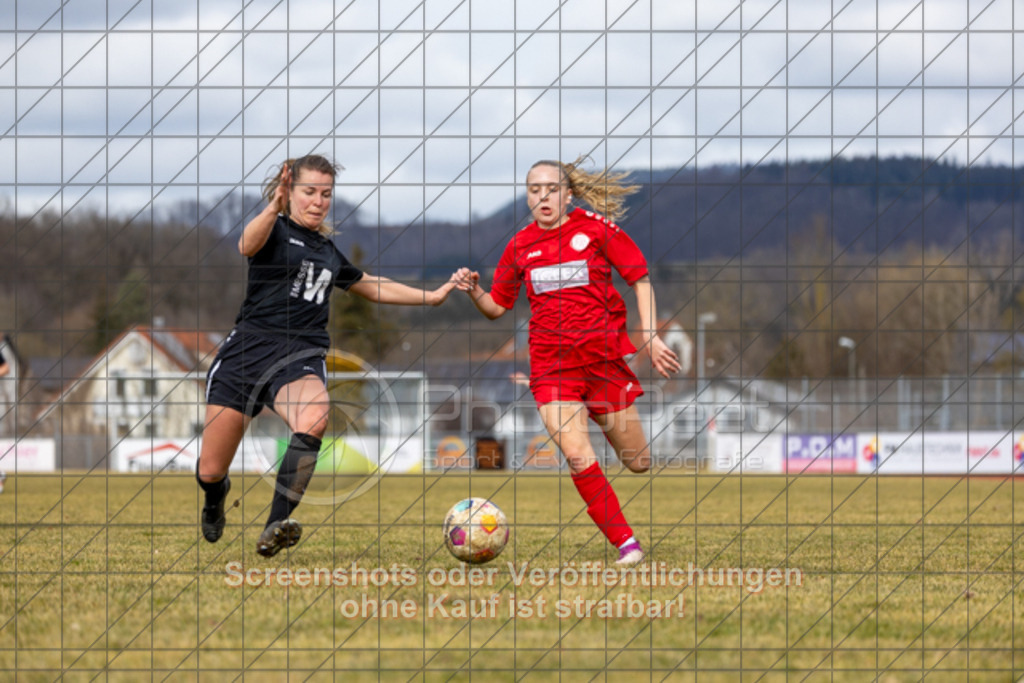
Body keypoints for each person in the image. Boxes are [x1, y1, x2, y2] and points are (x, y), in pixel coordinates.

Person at [198, 153, 461, 557]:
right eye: (309, 192)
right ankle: (215, 496)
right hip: (247, 353)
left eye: (326, 193)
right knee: (211, 469)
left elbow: (371, 285)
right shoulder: (273, 230)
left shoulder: (328, 252)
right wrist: (274, 205)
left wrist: (432, 297)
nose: (318, 201)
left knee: (315, 417)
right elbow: (245, 244)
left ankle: (274, 526)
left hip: (299, 355)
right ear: (289, 192)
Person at [456, 157, 681, 567]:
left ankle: (599, 421)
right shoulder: (520, 245)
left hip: (603, 362)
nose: (543, 196)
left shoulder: (596, 229)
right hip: (551, 368)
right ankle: (627, 544)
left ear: (568, 193)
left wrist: (649, 335)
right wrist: (474, 291)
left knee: (639, 462)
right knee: (578, 454)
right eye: (534, 189)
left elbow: (639, 277)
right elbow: (497, 306)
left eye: (551, 188)